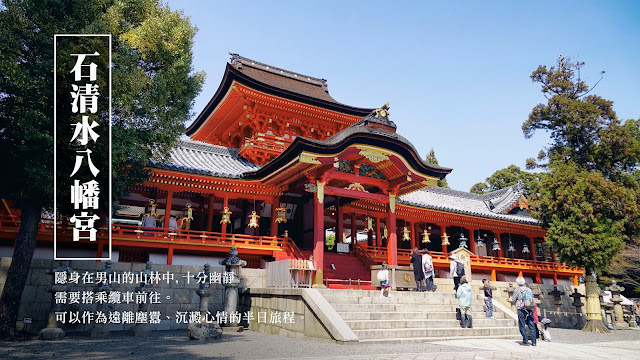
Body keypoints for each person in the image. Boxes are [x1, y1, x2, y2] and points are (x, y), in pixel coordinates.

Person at [512, 276, 536, 346]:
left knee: (522, 325)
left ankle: (525, 340)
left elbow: (513, 299)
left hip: (521, 308)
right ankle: (534, 341)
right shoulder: (528, 289)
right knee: (531, 325)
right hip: (529, 308)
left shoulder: (517, 290)